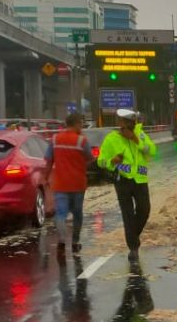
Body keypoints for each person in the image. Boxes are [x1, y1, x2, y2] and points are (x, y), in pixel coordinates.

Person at [97, 108, 158, 260]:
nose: (126, 128)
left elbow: (152, 151)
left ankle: (132, 236)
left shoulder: (140, 134)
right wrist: (112, 161)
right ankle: (133, 247)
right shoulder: (111, 139)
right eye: (123, 125)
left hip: (140, 180)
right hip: (122, 180)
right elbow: (101, 161)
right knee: (128, 214)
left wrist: (135, 139)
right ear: (119, 124)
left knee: (145, 210)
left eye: (129, 124)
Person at [44, 111, 93, 252]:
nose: (82, 126)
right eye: (81, 124)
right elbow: (90, 159)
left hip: (60, 184)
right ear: (77, 123)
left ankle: (62, 240)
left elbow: (48, 161)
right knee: (77, 214)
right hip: (78, 184)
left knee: (60, 214)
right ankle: (75, 242)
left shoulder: (54, 140)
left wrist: (45, 177)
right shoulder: (81, 141)